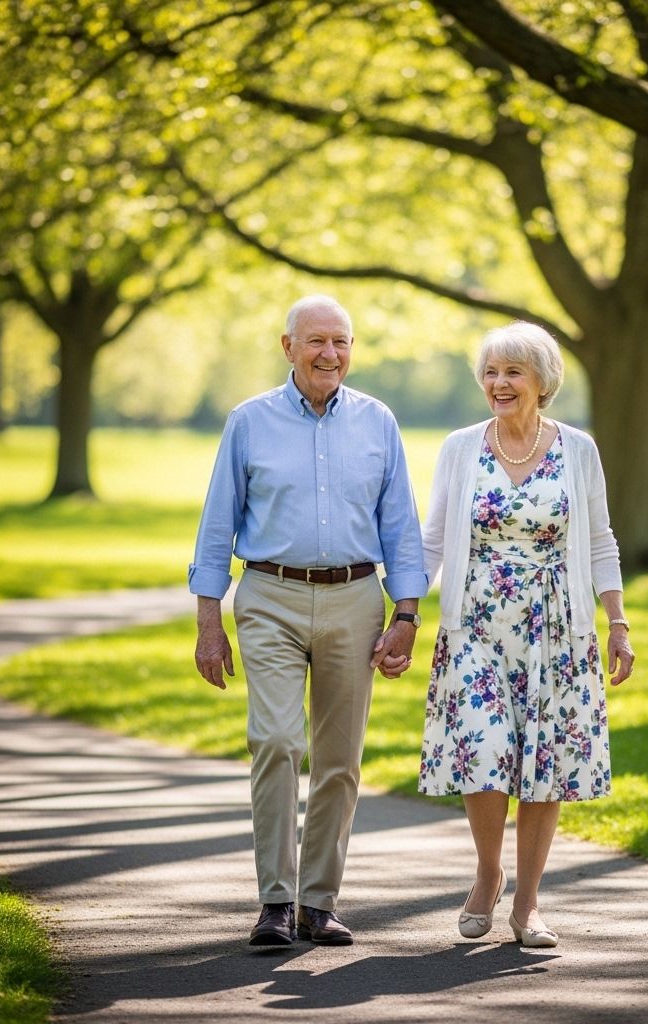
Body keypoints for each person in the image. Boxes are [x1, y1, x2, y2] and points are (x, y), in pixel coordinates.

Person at [190, 294, 427, 948]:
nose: (331, 354)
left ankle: (317, 903)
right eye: (317, 341)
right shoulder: (249, 421)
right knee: (275, 740)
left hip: (356, 598)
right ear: (288, 345)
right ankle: (274, 900)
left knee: (339, 759)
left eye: (342, 342)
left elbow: (401, 527)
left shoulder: (379, 423)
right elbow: (217, 525)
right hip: (269, 595)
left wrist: (406, 614)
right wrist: (209, 621)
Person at [418, 321, 634, 948]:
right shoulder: (461, 448)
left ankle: (529, 905)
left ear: (543, 381)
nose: (499, 383)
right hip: (476, 624)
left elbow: (599, 540)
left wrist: (616, 621)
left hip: (557, 629)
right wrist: (403, 612)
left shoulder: (578, 449)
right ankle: (489, 873)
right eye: (490, 371)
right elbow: (433, 539)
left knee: (545, 765)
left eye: (513, 371)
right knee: (480, 755)